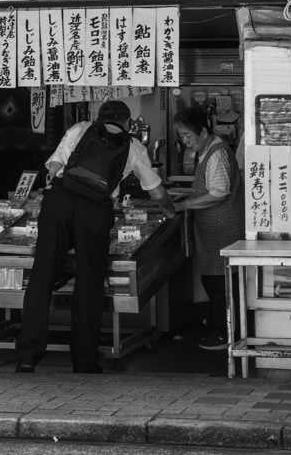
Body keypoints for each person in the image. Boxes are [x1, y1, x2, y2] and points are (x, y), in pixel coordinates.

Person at [15, 100, 176, 374]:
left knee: (42, 275)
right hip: (95, 210)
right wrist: (170, 210)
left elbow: (53, 168)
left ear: (98, 117)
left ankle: (28, 357)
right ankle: (84, 360)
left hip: (60, 202)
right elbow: (156, 191)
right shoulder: (133, 145)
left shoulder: (80, 128)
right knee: (89, 282)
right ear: (126, 122)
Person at [170, 106, 245, 351]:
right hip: (212, 230)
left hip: (223, 228)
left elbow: (219, 192)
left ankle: (226, 333)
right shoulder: (206, 151)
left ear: (203, 131)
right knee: (211, 279)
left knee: (220, 283)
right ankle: (217, 325)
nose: (185, 142)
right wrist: (184, 194)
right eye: (181, 137)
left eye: (188, 136)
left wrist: (185, 205)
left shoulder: (216, 153)